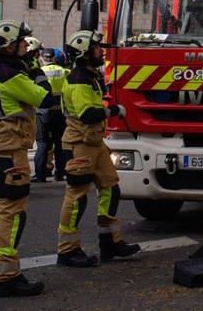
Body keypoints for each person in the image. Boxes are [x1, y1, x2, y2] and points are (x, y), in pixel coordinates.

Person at [0, 19, 57, 297]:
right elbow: (45, 98)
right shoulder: (12, 76)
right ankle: (7, 275)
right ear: (9, 47)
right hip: (11, 149)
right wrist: (37, 70)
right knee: (13, 212)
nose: (26, 46)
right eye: (21, 43)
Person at [56, 30, 140, 268]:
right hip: (79, 143)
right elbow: (87, 114)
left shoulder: (89, 75)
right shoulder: (79, 79)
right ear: (84, 53)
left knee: (111, 188)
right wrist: (114, 111)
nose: (101, 51)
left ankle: (110, 242)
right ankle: (67, 250)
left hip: (93, 142)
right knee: (76, 197)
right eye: (96, 48)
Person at [33, 47, 67, 183]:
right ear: (54, 58)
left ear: (42, 58)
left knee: (42, 144)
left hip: (42, 113)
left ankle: (40, 175)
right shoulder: (64, 72)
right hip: (59, 112)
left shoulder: (39, 73)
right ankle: (59, 173)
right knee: (59, 144)